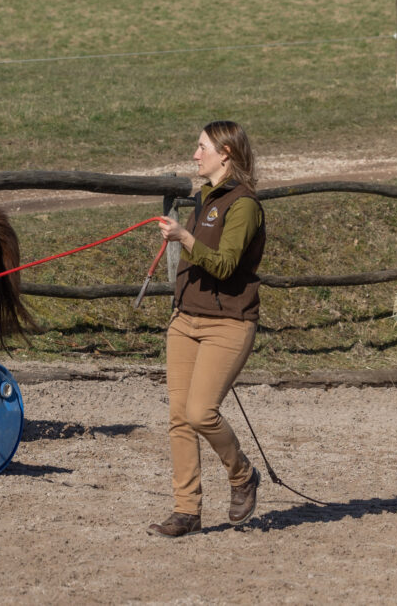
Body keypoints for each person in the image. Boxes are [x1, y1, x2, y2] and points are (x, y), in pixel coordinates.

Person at [147, 120, 265, 538]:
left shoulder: (245, 205)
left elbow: (227, 264)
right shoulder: (203, 199)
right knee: (179, 418)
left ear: (225, 153)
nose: (195, 154)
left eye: (201, 147)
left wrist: (185, 238)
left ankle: (242, 475)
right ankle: (186, 510)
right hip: (186, 320)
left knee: (201, 412)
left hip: (228, 324)